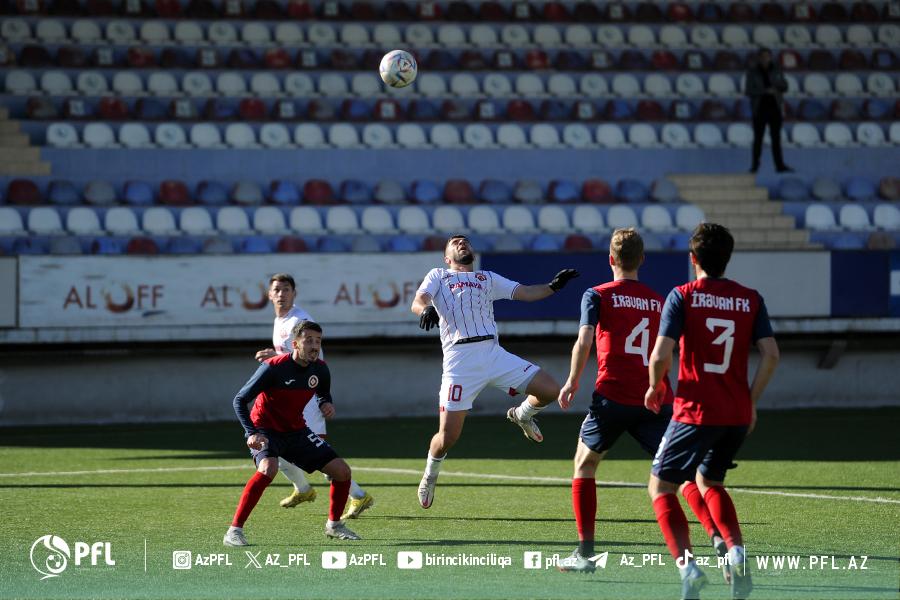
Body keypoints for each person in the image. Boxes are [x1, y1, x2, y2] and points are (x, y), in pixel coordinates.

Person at [555, 229, 726, 575]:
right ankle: (718, 536)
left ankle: (585, 552)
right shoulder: (659, 301)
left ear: (610, 259)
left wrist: (572, 380)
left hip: (613, 396)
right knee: (683, 476)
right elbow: (669, 351)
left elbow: (584, 341)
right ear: (642, 260)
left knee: (584, 464)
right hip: (655, 398)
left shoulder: (597, 294)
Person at [645, 223, 779, 599]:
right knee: (710, 482)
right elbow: (771, 354)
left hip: (695, 411)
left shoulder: (683, 296)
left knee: (661, 486)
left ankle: (688, 568)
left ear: (693, 259)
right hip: (736, 414)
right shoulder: (750, 298)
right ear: (727, 258)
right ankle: (736, 552)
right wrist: (751, 401)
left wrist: (655, 386)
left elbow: (660, 354)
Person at [411, 234, 579, 509]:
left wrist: (553, 287)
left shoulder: (486, 278)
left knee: (550, 390)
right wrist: (424, 310)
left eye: (465, 241)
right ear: (447, 257)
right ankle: (430, 475)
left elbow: (526, 292)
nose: (462, 243)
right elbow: (418, 300)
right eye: (455, 242)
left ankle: (522, 415)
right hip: (459, 362)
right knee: (448, 437)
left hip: (493, 353)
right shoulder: (439, 275)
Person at [224, 320, 361, 546]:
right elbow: (239, 400)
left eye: (318, 341)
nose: (314, 346)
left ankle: (334, 525)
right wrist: (252, 432)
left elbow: (323, 392)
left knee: (342, 471)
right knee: (268, 469)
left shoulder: (320, 369)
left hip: (296, 430)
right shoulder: (273, 367)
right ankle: (234, 531)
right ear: (295, 344)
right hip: (266, 429)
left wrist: (326, 403)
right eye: (309, 341)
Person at [255, 274, 374, 520]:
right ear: (269, 294)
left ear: (294, 293)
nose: (281, 294)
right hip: (292, 398)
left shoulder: (299, 320)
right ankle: (303, 490)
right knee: (279, 451)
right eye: (277, 290)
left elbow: (314, 358)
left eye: (286, 289)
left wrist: (322, 398)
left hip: (305, 399)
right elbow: (289, 356)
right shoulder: (281, 320)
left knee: (319, 457)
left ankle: (359, 495)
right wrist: (276, 357)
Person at [744, 47, 793, 173]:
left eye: (767, 56)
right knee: (758, 139)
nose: (765, 59)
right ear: (759, 58)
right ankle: (755, 166)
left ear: (770, 57)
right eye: (763, 56)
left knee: (776, 138)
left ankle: (779, 165)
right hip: (759, 109)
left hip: (775, 108)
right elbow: (748, 90)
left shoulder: (777, 69)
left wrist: (776, 88)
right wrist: (765, 91)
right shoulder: (752, 72)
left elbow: (785, 86)